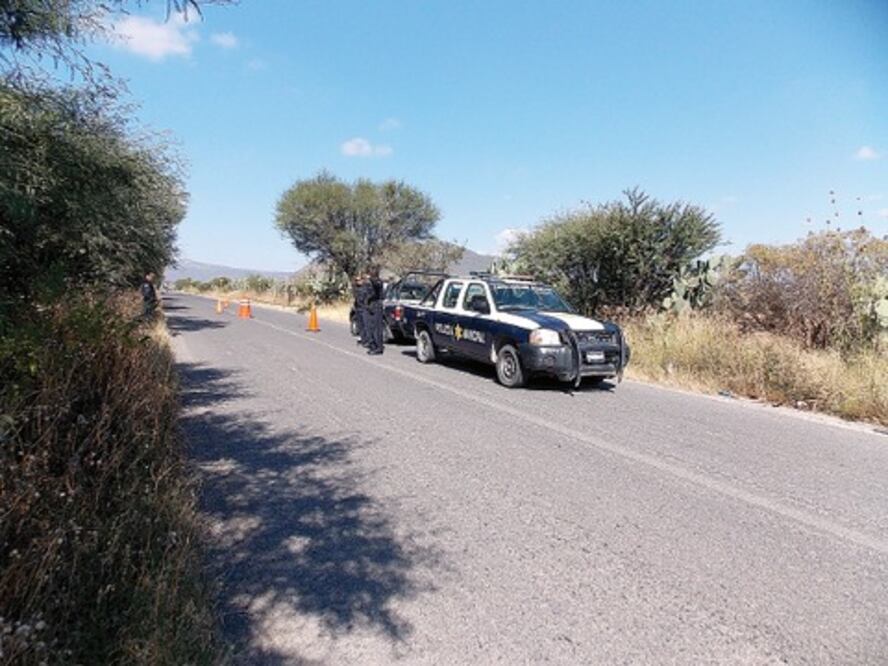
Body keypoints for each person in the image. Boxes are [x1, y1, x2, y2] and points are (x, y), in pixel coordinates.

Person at [366, 267, 385, 355]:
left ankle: (378, 347)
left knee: (377, 328)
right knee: (372, 326)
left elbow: (376, 287)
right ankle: (373, 345)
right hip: (372, 305)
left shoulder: (378, 282)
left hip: (377, 305)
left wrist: (370, 279)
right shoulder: (372, 282)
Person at [353, 275, 368, 346]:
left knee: (365, 325)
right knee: (360, 325)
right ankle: (363, 339)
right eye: (356, 280)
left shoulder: (365, 289)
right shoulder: (356, 289)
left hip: (364, 308)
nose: (358, 282)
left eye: (359, 280)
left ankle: (366, 339)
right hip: (358, 308)